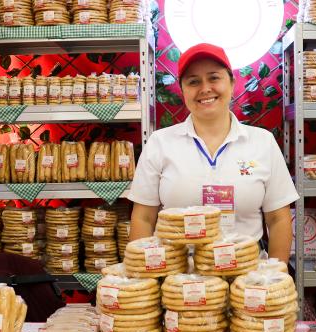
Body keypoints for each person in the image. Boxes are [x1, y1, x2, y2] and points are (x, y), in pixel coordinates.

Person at [127, 43, 299, 263]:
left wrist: (276, 276)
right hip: (180, 277)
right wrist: (141, 279)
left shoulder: (262, 142)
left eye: (214, 78)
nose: (205, 88)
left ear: (232, 82)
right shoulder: (160, 143)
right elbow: (143, 217)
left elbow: (278, 219)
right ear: (182, 90)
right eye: (193, 81)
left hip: (247, 276)